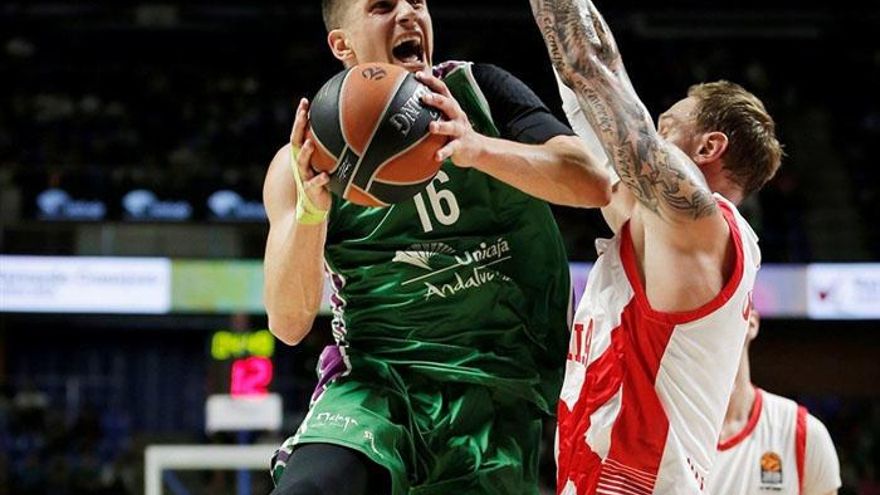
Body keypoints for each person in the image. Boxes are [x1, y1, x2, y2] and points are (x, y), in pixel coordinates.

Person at [263, 0, 613, 494]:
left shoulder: (482, 92)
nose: (408, 13)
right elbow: (288, 323)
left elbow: (594, 183)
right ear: (342, 44)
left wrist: (477, 148)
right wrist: (312, 211)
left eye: (418, 2)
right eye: (383, 6)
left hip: (501, 392)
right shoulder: (304, 160)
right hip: (381, 384)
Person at [528, 0, 784, 493]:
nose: (651, 136)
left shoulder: (696, 220)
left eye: (665, 129)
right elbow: (587, 100)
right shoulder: (661, 227)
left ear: (707, 149)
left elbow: (591, 74)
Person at [707, 307, 842, 495]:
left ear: (751, 322)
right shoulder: (662, 431)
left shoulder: (802, 432)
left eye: (721, 307)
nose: (707, 321)